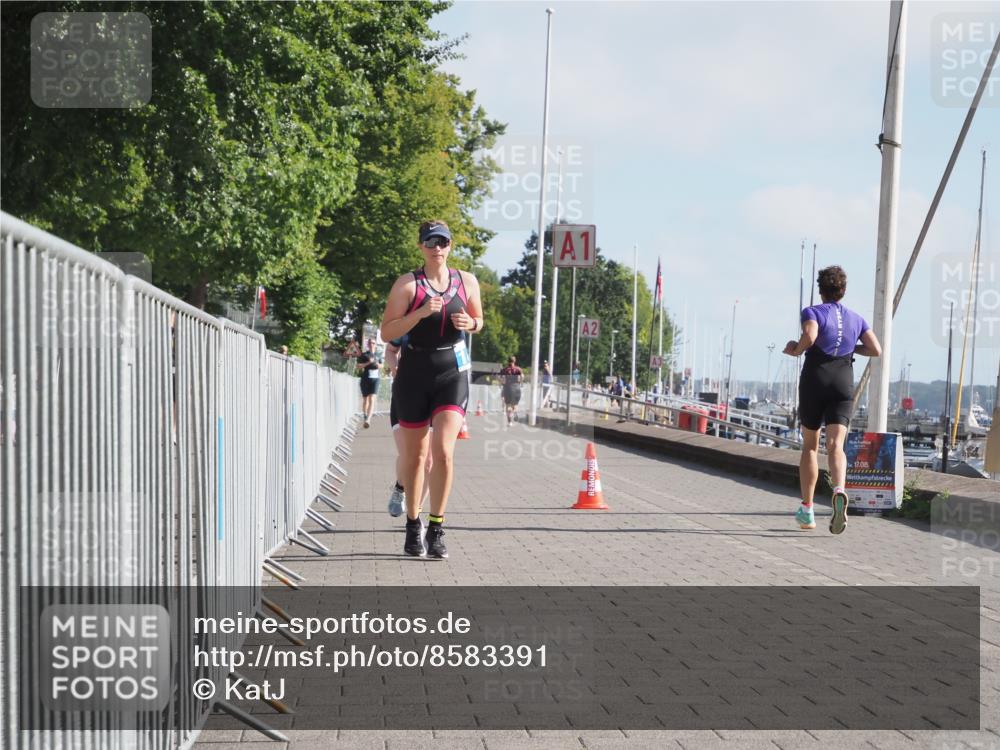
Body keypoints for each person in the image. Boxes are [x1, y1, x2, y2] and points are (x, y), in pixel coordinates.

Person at [380, 220, 483, 559]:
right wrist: (422, 312)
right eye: (431, 242)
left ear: (450, 246)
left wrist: (472, 324)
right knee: (415, 457)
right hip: (414, 372)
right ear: (421, 246)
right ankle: (413, 524)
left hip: (451, 372)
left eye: (443, 242)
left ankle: (437, 528)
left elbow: (479, 320)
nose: (437, 248)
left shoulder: (467, 281)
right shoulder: (408, 285)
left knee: (444, 451)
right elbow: (386, 332)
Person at [783, 265, 881, 534]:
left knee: (811, 447)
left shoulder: (813, 311)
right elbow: (876, 349)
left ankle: (807, 510)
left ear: (820, 290)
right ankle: (839, 490)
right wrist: (851, 348)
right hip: (843, 381)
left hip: (816, 379)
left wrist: (797, 350)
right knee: (837, 446)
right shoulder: (856, 318)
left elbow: (811, 334)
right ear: (843, 291)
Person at [384, 335, 432, 520]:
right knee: (409, 455)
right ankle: (400, 488)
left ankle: (415, 513)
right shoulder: (409, 322)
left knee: (428, 462)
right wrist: (396, 370)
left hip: (437, 396)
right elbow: (390, 350)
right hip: (406, 394)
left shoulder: (451, 322)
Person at [356, 338, 381, 428]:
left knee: (372, 398)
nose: (372, 344)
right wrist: (368, 363)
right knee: (365, 400)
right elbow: (358, 366)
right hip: (366, 379)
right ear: (368, 344)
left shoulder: (378, 355)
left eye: (373, 343)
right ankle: (365, 415)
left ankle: (368, 419)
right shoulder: (364, 355)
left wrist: (379, 365)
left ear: (376, 345)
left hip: (376, 379)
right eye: (370, 343)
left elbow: (382, 365)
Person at [500, 356, 524, 425]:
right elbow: (522, 376)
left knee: (508, 405)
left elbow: (500, 378)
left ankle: (509, 422)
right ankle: (514, 412)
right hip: (516, 387)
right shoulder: (518, 369)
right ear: (514, 361)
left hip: (508, 388)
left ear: (508, 361)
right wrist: (521, 382)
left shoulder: (504, 369)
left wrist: (503, 383)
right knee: (515, 404)